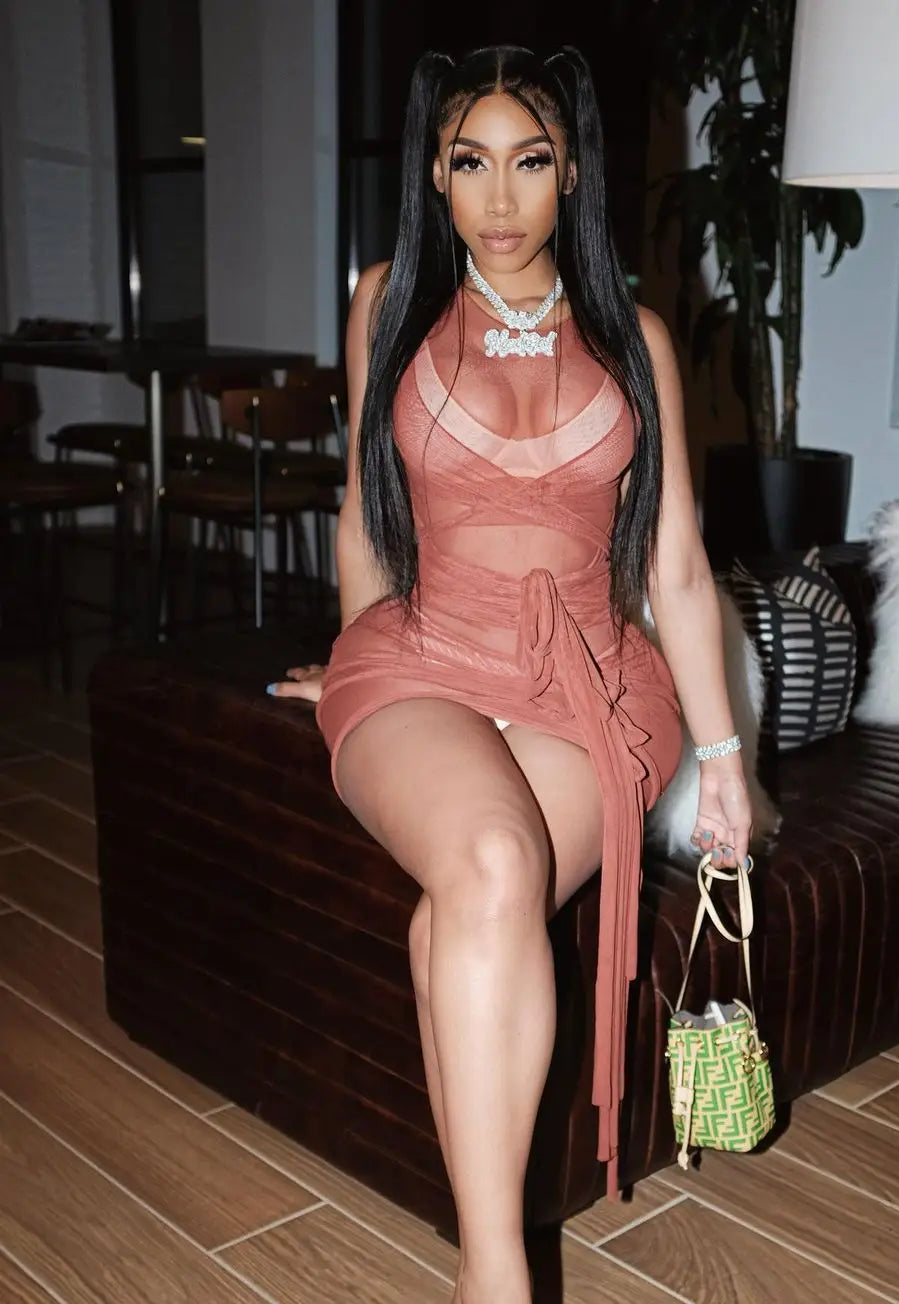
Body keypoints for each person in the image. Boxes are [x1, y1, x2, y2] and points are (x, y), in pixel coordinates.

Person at [268, 43, 752, 1304]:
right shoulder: (389, 302)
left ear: (571, 171)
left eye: (529, 162)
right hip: (424, 655)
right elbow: (364, 512)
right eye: (469, 161)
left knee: (467, 908)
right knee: (489, 859)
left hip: (592, 676)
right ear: (435, 173)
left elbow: (678, 566)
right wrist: (358, 655)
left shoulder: (638, 339)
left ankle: (485, 1274)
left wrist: (722, 761)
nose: (498, 196)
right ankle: (502, 1279)